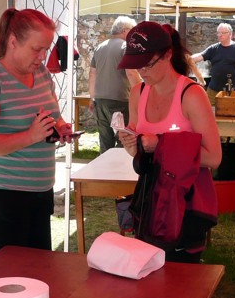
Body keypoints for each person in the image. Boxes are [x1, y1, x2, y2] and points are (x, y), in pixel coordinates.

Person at [0, 8, 74, 258]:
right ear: (13, 41)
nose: (43, 57)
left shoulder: (42, 74)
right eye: (37, 49)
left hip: (40, 193)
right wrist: (30, 136)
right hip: (4, 198)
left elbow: (52, 115)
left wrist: (60, 127)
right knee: (6, 276)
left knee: (38, 272)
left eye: (46, 49)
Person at [116, 21, 222, 263]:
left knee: (180, 275)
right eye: (136, 64)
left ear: (168, 55)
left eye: (148, 64)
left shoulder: (192, 94)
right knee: (146, 270)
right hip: (150, 198)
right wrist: (132, 143)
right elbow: (139, 152)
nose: (142, 70)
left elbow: (214, 157)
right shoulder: (138, 93)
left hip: (185, 201)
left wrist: (160, 144)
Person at [89, 16, 140, 154]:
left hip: (100, 101)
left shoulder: (100, 47)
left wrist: (92, 98)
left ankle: (104, 166)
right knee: (124, 139)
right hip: (119, 101)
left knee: (105, 141)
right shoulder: (125, 47)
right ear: (124, 31)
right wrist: (142, 94)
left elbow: (92, 74)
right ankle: (119, 166)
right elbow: (131, 73)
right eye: (132, 31)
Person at [190, 23, 235, 104]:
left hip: (231, 90)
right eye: (218, 32)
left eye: (223, 33)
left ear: (230, 34)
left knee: (231, 110)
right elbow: (199, 56)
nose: (220, 35)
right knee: (209, 110)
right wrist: (191, 58)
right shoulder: (213, 49)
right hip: (213, 90)